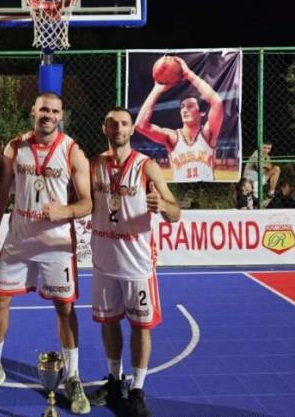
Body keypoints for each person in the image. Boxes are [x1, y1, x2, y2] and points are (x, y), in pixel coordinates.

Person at [0, 92, 93, 414]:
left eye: (54, 111)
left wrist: (65, 210)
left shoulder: (72, 150)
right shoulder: (15, 147)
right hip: (19, 239)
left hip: (56, 244)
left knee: (65, 307)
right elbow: (1, 193)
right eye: (43, 109)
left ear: (61, 115)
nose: (48, 115)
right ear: (33, 111)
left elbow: (87, 203)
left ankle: (73, 376)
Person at [88, 108, 181, 417]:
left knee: (141, 327)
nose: (118, 128)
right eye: (112, 123)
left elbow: (176, 212)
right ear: (104, 128)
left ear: (131, 129)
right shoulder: (94, 165)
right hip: (103, 263)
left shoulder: (146, 166)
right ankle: (115, 381)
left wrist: (163, 204)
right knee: (109, 323)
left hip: (137, 264)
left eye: (124, 123)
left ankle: (138, 389)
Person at [135, 56, 223, 182]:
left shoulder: (208, 135)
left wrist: (189, 74)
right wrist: (157, 89)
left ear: (202, 113)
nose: (184, 110)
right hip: (181, 189)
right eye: (182, 107)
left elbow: (217, 102)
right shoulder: (173, 137)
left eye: (190, 106)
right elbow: (140, 125)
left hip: (206, 188)